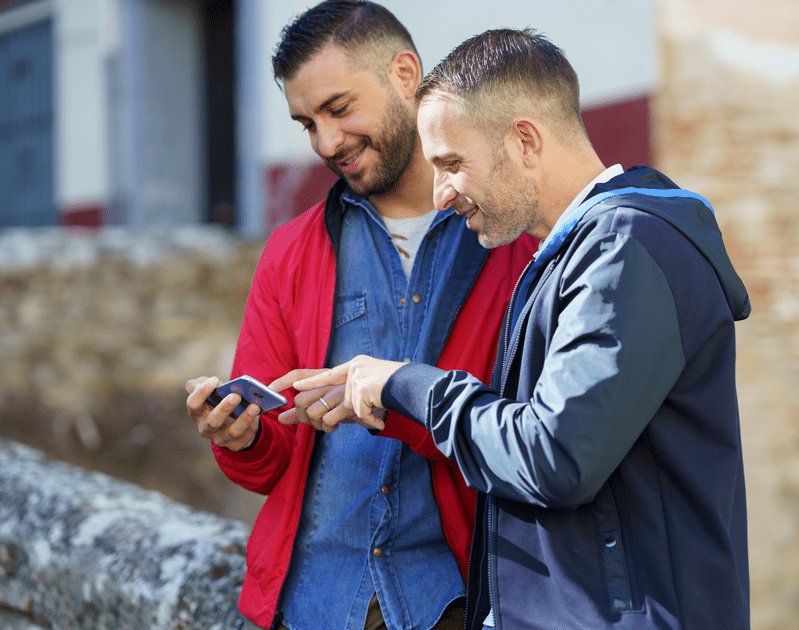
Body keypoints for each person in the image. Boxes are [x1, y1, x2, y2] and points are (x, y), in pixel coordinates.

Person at [289, 28, 753, 630]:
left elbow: (553, 456)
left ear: (525, 140)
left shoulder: (626, 248)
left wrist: (404, 384)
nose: (441, 194)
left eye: (452, 164)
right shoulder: (574, 255)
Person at [184, 4, 536, 630]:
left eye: (339, 109)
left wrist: (390, 400)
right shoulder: (289, 251)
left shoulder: (510, 240)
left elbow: (529, 436)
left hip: (457, 599)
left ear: (406, 74)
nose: (326, 143)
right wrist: (243, 436)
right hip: (308, 605)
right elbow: (270, 460)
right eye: (306, 124)